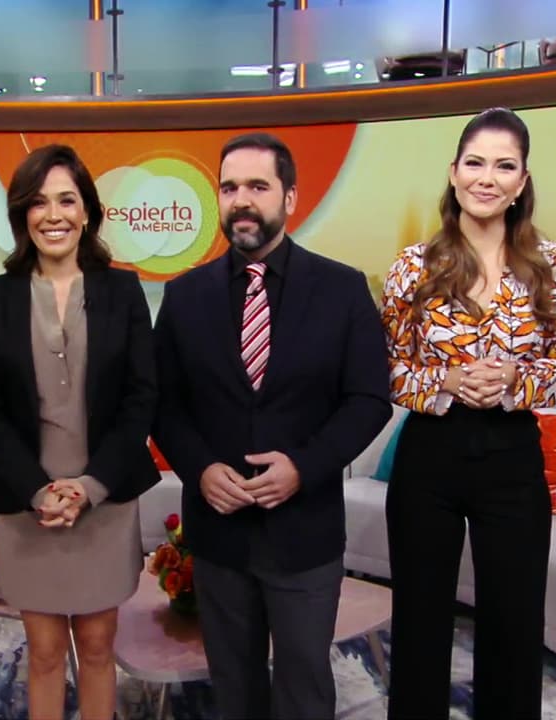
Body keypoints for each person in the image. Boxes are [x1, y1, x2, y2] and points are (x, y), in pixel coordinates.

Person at [153, 132, 391, 719]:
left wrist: (303, 468)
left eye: (258, 186)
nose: (241, 200)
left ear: (289, 197)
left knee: (305, 689)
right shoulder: (184, 296)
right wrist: (200, 469)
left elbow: (369, 400)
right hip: (219, 534)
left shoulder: (342, 289)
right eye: (229, 187)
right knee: (233, 689)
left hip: (304, 532)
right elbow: (160, 403)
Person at [380, 107, 556, 719]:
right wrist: (444, 380)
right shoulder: (413, 265)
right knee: (419, 620)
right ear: (454, 172)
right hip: (429, 454)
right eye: (475, 163)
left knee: (514, 624)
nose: (486, 178)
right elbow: (384, 368)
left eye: (504, 166)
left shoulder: (550, 263)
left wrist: (517, 379)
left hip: (511, 455)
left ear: (522, 181)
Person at [0, 144, 157, 720]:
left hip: (104, 501)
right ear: (22, 214)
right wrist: (38, 490)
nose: (53, 215)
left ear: (88, 212)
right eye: (38, 202)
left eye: (67, 200)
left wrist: (89, 487)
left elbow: (141, 399)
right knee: (45, 653)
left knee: (98, 648)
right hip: (26, 505)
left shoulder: (123, 292)